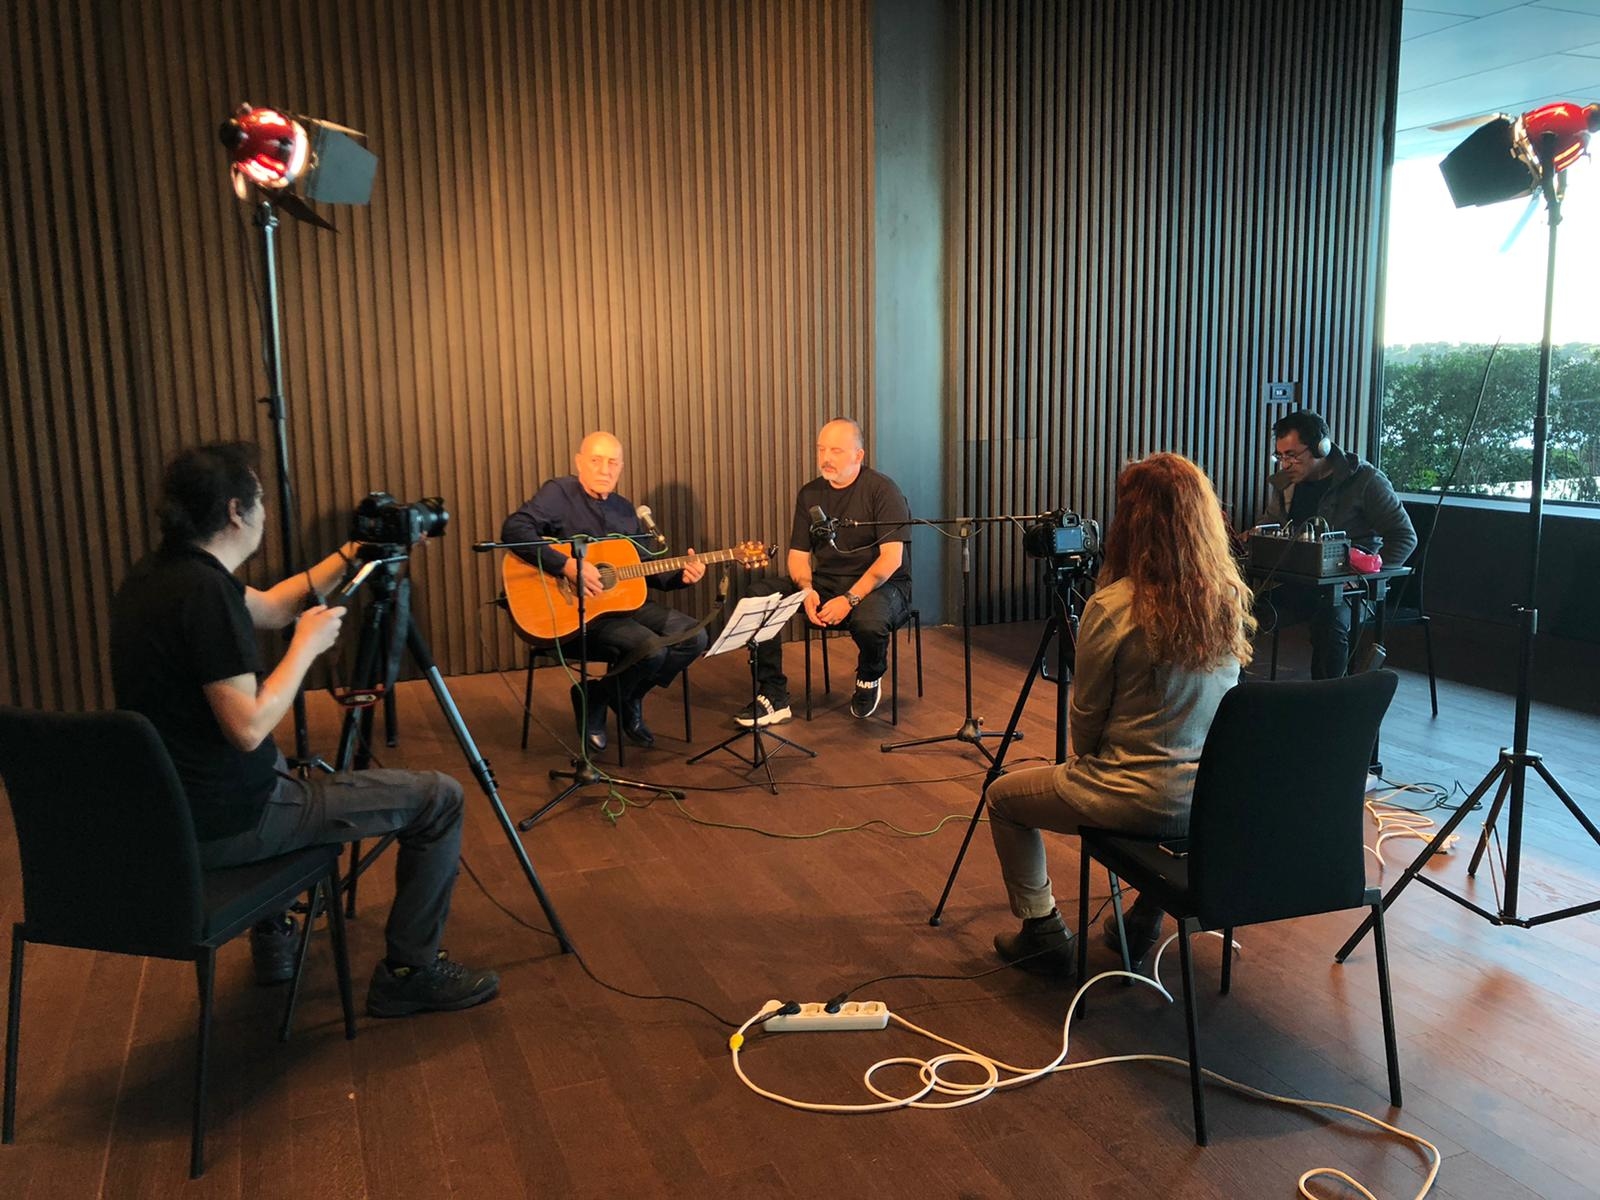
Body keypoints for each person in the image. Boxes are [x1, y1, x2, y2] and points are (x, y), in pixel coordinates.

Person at [109, 442, 499, 1017]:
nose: (265, 511)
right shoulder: (204, 595)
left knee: (274, 760)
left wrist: (353, 552)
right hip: (233, 821)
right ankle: (409, 971)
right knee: (440, 798)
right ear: (238, 510)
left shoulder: (158, 577)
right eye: (261, 499)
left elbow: (270, 606)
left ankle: (274, 936)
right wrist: (306, 649)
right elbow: (246, 727)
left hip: (171, 813)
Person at [985, 453, 1256, 976]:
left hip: (1131, 797)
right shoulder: (1227, 600)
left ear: (1129, 524)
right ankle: (1141, 919)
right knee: (1167, 798)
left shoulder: (1111, 607)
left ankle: (1042, 930)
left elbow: (1085, 737)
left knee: (1002, 798)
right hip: (1210, 802)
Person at [502, 430, 708, 753]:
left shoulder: (625, 511)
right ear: (579, 462)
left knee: (694, 636)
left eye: (612, 462)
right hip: (577, 613)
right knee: (651, 649)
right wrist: (565, 566)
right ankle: (611, 698)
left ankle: (609, 696)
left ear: (621, 467)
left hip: (623, 604)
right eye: (596, 461)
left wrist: (682, 576)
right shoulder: (559, 493)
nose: (604, 469)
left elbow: (643, 571)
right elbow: (514, 530)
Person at [736, 418, 912, 726]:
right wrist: (806, 590)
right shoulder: (810, 494)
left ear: (859, 455)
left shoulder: (883, 490)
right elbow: (798, 556)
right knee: (759, 595)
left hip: (882, 586)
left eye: (836, 450)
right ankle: (773, 694)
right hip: (826, 581)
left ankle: (869, 676)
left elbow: (890, 560)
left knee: (868, 621)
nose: (825, 458)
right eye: (821, 449)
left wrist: (849, 599)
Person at [1256, 410, 1417, 678]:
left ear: (1322, 447)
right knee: (1237, 609)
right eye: (1280, 456)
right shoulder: (1286, 483)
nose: (1285, 464)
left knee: (1329, 624)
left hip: (1349, 591)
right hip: (1299, 581)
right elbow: (1272, 523)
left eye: (1292, 455)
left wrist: (1365, 576)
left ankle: (1325, 705)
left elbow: (1405, 536)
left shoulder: (1366, 480)